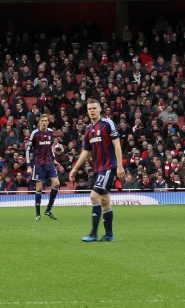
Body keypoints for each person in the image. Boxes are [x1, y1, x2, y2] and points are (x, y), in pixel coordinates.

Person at [69, 98, 124, 242]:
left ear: (100, 109)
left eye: (94, 108)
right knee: (105, 200)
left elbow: (117, 145)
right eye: (89, 109)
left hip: (108, 167)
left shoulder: (107, 124)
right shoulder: (88, 130)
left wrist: (119, 165)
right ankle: (109, 235)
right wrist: (75, 168)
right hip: (98, 169)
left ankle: (93, 234)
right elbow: (86, 151)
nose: (92, 111)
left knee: (94, 196)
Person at [26, 114, 59, 221]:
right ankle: (38, 214)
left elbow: (50, 148)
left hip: (49, 163)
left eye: (46, 120)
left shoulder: (50, 132)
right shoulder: (35, 133)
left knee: (56, 183)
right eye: (42, 120)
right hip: (38, 164)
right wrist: (28, 166)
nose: (44, 122)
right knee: (39, 188)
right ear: (39, 122)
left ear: (48, 122)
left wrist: (54, 159)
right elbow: (27, 150)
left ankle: (48, 209)